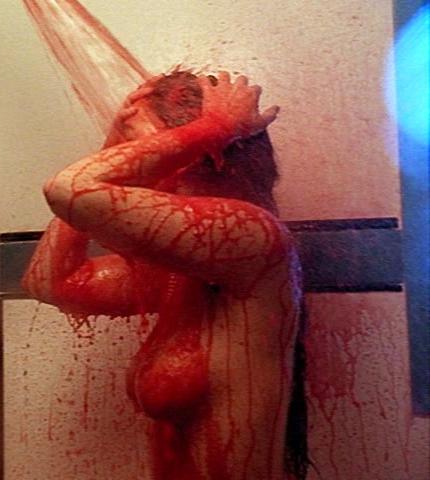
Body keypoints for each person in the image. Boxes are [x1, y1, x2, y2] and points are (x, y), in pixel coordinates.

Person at [23, 70, 308, 480]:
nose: (132, 165)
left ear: (205, 152)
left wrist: (215, 127)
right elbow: (50, 283)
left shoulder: (256, 240)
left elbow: (69, 190)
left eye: (142, 148)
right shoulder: (175, 273)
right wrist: (112, 144)